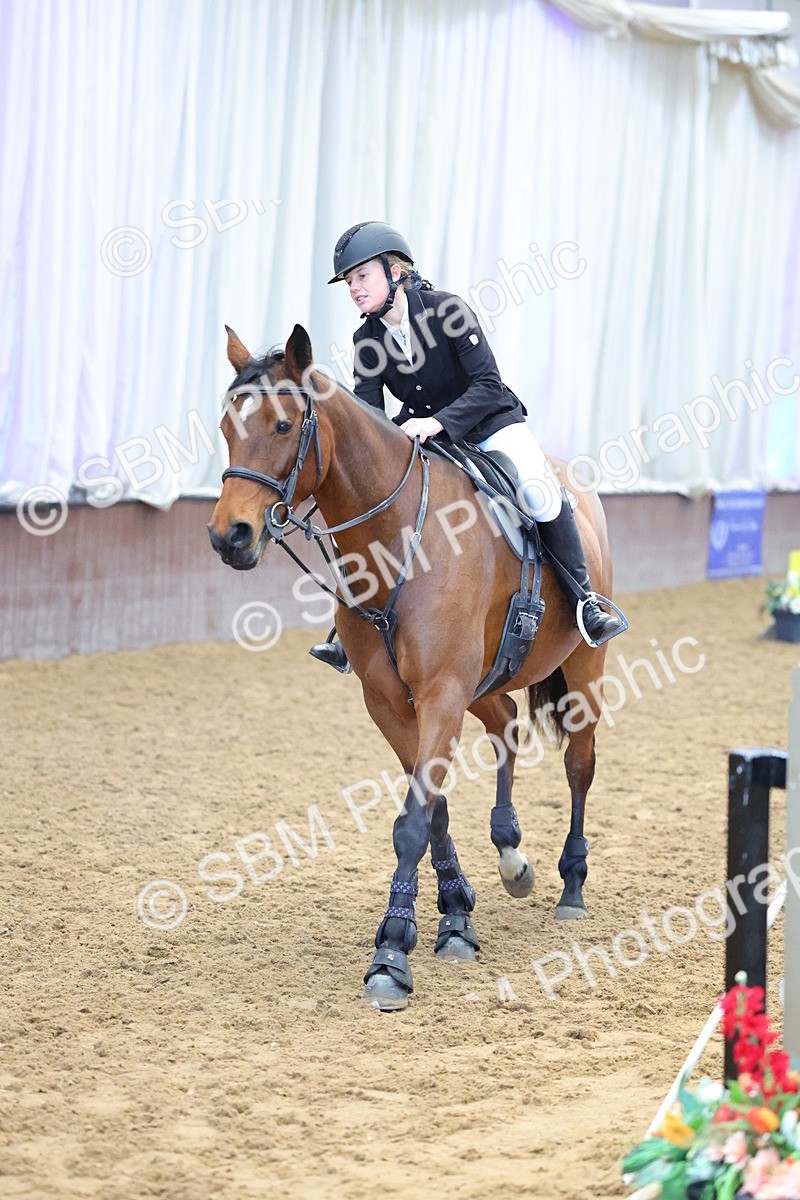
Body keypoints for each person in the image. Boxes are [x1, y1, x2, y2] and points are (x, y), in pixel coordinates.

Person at [310, 220, 626, 672]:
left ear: (395, 271)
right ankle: (348, 626)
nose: (354, 289)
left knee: (538, 492)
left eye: (362, 276)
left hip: (488, 422)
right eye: (349, 281)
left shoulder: (447, 312)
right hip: (423, 433)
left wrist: (437, 422)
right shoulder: (367, 341)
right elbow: (370, 415)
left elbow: (487, 383)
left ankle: (585, 601)